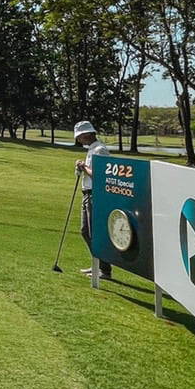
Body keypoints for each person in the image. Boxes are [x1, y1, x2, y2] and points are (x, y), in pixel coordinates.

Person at [72, 120, 112, 279]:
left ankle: (105, 270)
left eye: (80, 136)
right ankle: (97, 265)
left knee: (94, 232)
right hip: (87, 193)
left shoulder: (100, 150)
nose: (79, 139)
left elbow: (99, 174)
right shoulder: (91, 150)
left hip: (95, 194)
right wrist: (80, 168)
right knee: (85, 231)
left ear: (88, 134)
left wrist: (84, 167)